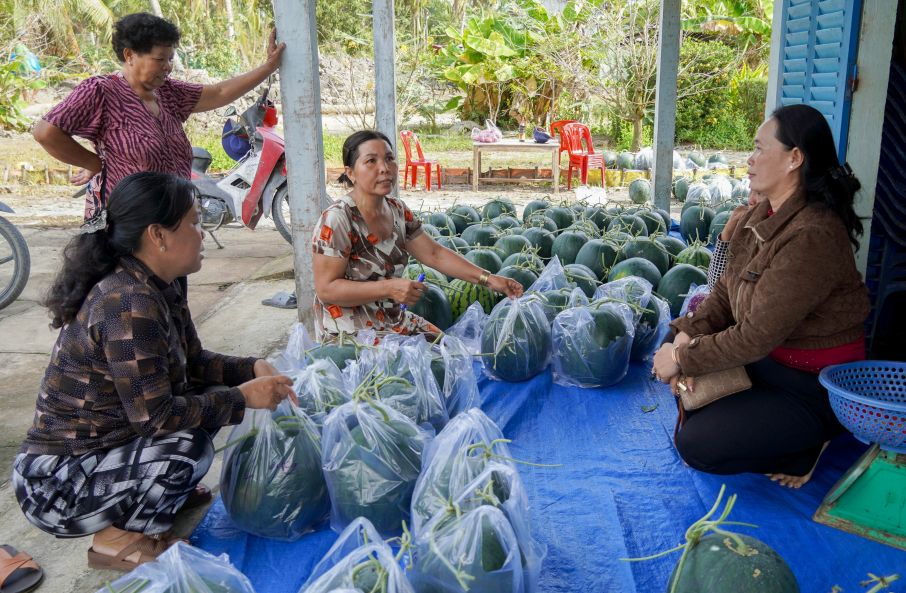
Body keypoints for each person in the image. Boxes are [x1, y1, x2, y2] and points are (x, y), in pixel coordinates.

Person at [11, 172, 296, 571]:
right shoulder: (126, 303)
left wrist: (250, 367)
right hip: (58, 483)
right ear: (158, 235)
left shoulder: (160, 283)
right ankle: (116, 539)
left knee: (207, 396)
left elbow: (193, 363)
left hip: (105, 451)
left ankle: (147, 497)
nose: (202, 233)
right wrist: (244, 397)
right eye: (194, 222)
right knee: (186, 447)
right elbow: (156, 420)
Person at [652, 104, 870, 489]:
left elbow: (754, 336)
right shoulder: (759, 216)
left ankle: (809, 443)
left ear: (794, 159)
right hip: (767, 361)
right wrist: (684, 339)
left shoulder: (813, 235)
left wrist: (684, 359)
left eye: (759, 149)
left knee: (697, 445)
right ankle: (757, 420)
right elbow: (722, 294)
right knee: (674, 341)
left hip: (811, 385)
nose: (749, 160)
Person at [31, 12, 285, 220]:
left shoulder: (168, 92)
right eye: (160, 59)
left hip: (175, 219)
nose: (168, 66)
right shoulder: (100, 91)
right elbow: (46, 133)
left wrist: (268, 67)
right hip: (130, 224)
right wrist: (95, 163)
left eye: (170, 58)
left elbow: (219, 92)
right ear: (129, 55)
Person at [312, 130, 523, 339]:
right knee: (420, 367)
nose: (384, 168)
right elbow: (326, 289)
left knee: (449, 353)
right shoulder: (338, 219)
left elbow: (434, 254)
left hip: (392, 319)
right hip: (350, 332)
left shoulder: (397, 209)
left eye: (389, 159)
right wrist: (388, 288)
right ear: (350, 173)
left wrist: (489, 279)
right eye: (371, 161)